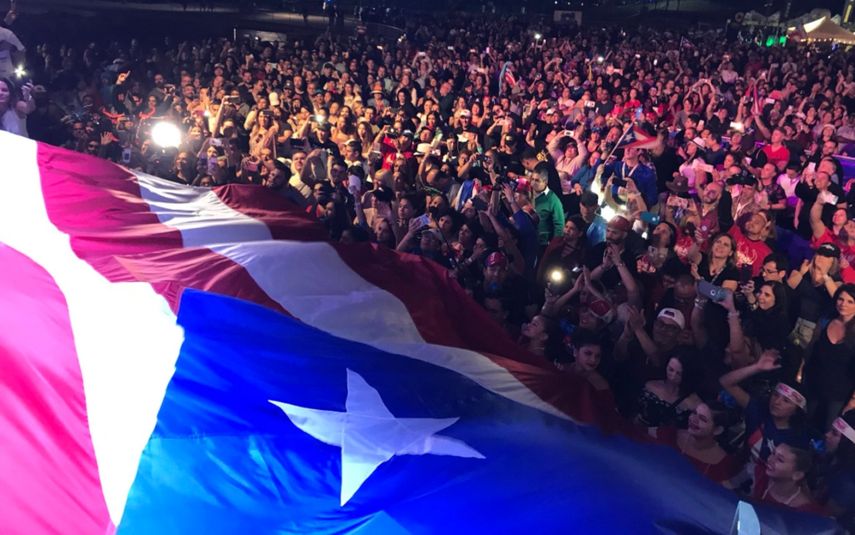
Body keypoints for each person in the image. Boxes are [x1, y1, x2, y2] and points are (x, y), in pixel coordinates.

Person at [719, 351, 808, 494]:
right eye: (776, 395)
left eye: (786, 401)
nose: (777, 402)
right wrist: (756, 367)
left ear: (797, 410)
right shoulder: (758, 411)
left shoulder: (798, 440)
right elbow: (726, 382)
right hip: (736, 475)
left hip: (766, 491)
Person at [803, 284, 855, 432]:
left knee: (828, 431)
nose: (843, 304)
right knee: (806, 423)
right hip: (814, 384)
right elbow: (811, 349)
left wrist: (853, 401)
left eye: (850, 301)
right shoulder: (826, 320)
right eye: (840, 299)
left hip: (839, 394)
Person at [633, 354, 701, 430]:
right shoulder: (649, 386)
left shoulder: (694, 403)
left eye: (679, 373)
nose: (673, 376)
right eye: (671, 370)